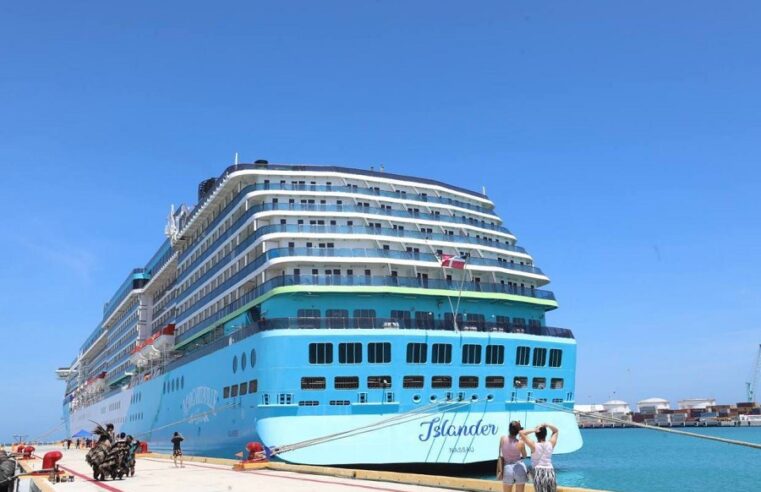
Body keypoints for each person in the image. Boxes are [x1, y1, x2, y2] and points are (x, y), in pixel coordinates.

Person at [519, 423, 559, 492]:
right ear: (546, 434)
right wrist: (548, 425)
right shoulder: (551, 444)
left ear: (536, 434)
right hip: (550, 472)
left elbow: (521, 433)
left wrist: (534, 430)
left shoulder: (533, 445)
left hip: (538, 472)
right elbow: (556, 431)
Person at [497, 421, 528, 492]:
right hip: (519, 467)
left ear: (509, 429)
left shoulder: (502, 438)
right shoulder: (520, 442)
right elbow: (525, 456)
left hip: (507, 468)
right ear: (518, 431)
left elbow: (500, 453)